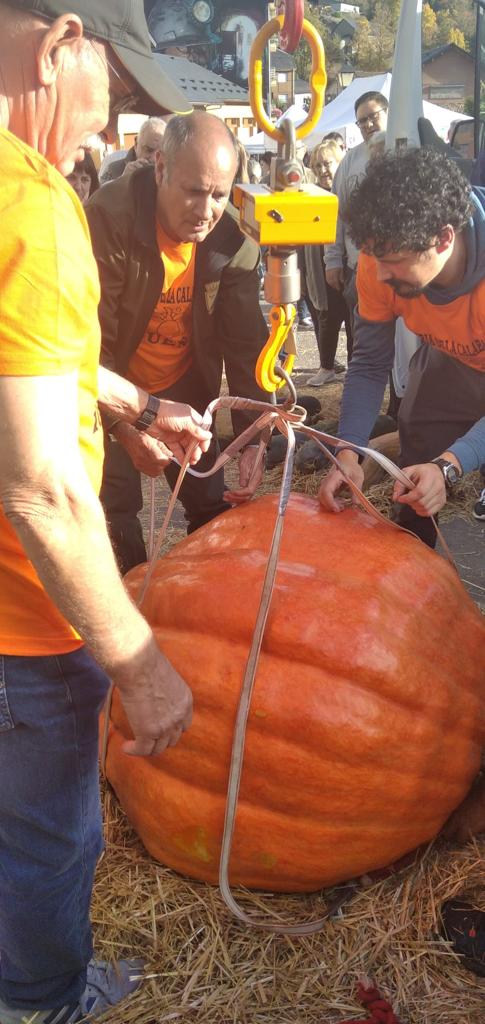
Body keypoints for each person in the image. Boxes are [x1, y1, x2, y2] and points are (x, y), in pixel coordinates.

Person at [0, 1, 214, 1021]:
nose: (114, 119)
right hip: (21, 627)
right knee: (50, 833)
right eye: (114, 88)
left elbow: (24, 356)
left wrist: (128, 404)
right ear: (55, 43)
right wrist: (139, 661)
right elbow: (41, 487)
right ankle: (43, 1000)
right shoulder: (33, 202)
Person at [85, 111, 269, 574]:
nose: (206, 210)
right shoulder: (110, 217)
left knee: (210, 499)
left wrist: (255, 436)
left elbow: (246, 341)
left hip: (185, 384)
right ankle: (129, 607)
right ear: (161, 168)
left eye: (218, 195)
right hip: (116, 381)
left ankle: (209, 599)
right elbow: (89, 344)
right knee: (114, 506)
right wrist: (127, 428)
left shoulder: (235, 235)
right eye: (193, 191)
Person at [319, 147, 485, 552]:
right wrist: (350, 450)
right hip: (452, 360)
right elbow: (370, 363)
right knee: (417, 459)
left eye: (393, 260)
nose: (379, 274)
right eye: (373, 257)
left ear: (444, 237)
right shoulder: (381, 266)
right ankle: (410, 570)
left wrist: (449, 466)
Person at [324, 91, 389, 334]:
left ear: (388, 113)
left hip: (401, 268)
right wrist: (332, 259)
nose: (368, 124)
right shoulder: (350, 161)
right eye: (361, 121)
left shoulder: (408, 150)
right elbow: (335, 211)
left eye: (372, 116)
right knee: (360, 335)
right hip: (358, 268)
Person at [305, 140, 353, 386]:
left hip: (349, 263)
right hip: (320, 266)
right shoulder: (312, 194)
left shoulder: (346, 191)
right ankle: (327, 366)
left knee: (354, 319)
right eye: (318, 165)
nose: (323, 170)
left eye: (328, 163)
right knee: (328, 317)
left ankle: (354, 368)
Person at [99, 115, 168, 182]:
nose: (154, 158)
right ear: (136, 144)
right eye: (148, 150)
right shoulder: (113, 170)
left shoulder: (171, 172)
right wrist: (122, 181)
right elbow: (98, 193)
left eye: (160, 153)